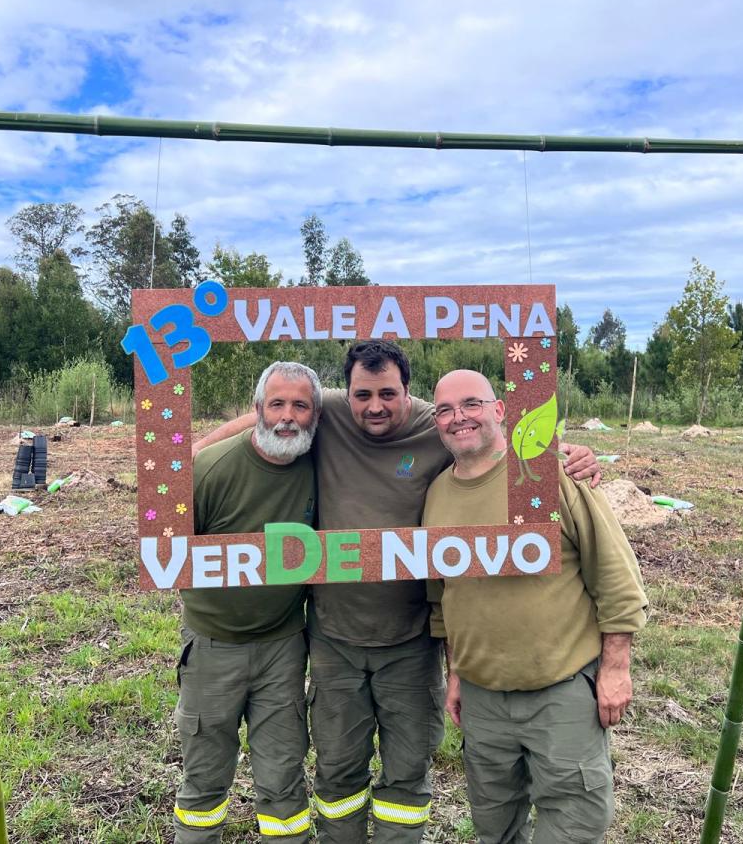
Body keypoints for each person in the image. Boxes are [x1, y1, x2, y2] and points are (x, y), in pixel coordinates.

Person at [193, 341, 602, 843]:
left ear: (408, 392)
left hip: (411, 641)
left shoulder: (437, 425)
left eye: (388, 394)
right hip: (335, 640)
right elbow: (270, 415)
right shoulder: (330, 412)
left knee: (406, 777)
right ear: (346, 395)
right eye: (363, 395)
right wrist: (191, 453)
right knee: (338, 772)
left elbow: (486, 428)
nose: (375, 406)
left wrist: (561, 452)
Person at [423, 369, 647, 844]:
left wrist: (616, 667)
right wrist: (456, 673)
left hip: (560, 691)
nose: (458, 417)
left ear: (499, 410)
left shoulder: (547, 475)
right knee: (494, 824)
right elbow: (446, 597)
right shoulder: (437, 494)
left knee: (573, 823)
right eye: (444, 410)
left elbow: (614, 574)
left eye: (471, 404)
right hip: (483, 699)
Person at [173, 361, 321, 844]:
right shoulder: (208, 470)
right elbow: (166, 554)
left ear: (317, 414)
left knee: (284, 777)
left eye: (300, 405)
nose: (288, 416)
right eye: (276, 404)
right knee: (204, 778)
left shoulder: (320, 465)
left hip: (283, 646)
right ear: (257, 408)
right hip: (213, 646)